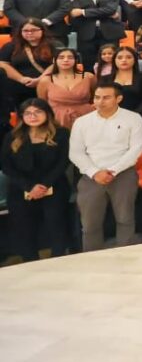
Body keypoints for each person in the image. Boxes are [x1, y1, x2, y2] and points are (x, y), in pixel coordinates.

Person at [69, 84, 142, 251]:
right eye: (97, 97)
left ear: (119, 98)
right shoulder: (82, 122)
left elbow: (135, 150)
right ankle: (93, 259)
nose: (100, 101)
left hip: (123, 174)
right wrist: (95, 172)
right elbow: (75, 153)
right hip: (91, 176)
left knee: (125, 218)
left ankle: (126, 256)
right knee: (90, 225)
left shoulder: (133, 119)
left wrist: (113, 170)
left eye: (106, 97)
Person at [0, 98, 71, 262]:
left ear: (47, 113)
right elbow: (6, 166)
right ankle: (30, 263)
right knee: (23, 228)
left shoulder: (61, 134)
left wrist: (44, 185)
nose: (33, 116)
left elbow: (63, 162)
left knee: (56, 224)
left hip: (54, 185)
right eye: (28, 113)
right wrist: (29, 186)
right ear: (22, 117)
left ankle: (59, 261)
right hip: (21, 189)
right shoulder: (12, 136)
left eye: (38, 112)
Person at [68, 0, 125, 69]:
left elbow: (110, 10)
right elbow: (74, 13)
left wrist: (83, 11)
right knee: (88, 62)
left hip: (109, 32)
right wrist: (103, 12)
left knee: (111, 62)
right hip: (86, 32)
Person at [37, 48, 95, 129]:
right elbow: (43, 104)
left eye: (70, 57)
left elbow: (95, 97)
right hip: (57, 119)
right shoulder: (45, 81)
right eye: (61, 57)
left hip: (86, 117)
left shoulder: (88, 77)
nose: (66, 60)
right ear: (54, 60)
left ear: (76, 60)